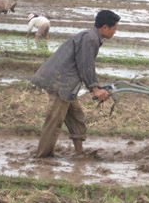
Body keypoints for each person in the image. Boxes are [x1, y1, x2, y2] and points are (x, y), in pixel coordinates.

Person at [31, 10, 120, 157]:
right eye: (114, 29)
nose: (115, 32)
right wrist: (94, 89)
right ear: (105, 27)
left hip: (67, 85)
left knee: (76, 117)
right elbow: (85, 65)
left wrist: (96, 86)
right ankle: (43, 157)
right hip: (60, 83)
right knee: (54, 121)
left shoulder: (91, 37)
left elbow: (86, 66)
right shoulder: (90, 39)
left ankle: (79, 153)